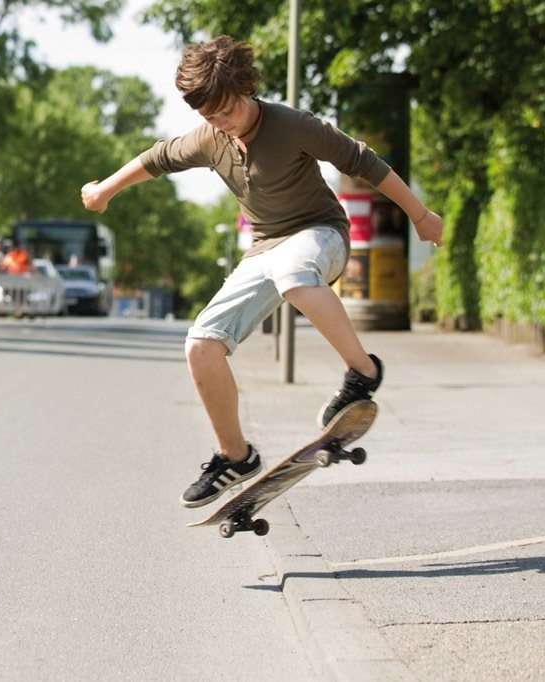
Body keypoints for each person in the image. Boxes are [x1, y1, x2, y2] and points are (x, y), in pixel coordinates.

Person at [81, 36, 443, 508]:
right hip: (264, 250)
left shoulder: (293, 125)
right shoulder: (210, 138)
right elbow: (157, 159)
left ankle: (363, 370)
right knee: (201, 344)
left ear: (246, 89)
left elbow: (365, 163)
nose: (223, 124)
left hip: (322, 236)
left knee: (294, 272)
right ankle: (235, 456)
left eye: (227, 111)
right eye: (210, 117)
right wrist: (104, 191)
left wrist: (419, 214)